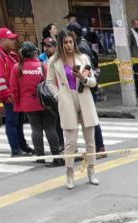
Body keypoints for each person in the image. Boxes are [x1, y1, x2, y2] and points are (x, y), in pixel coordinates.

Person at [45, 29, 99, 189]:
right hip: (67, 100)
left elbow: (93, 82)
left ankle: (91, 171)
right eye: (65, 43)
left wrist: (83, 78)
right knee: (70, 141)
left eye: (71, 42)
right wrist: (59, 96)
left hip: (85, 99)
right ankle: (69, 174)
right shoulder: (54, 61)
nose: (69, 45)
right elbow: (49, 82)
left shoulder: (82, 58)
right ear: (60, 45)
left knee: (90, 140)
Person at [11, 42, 62, 166]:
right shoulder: (43, 66)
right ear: (35, 53)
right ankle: (56, 155)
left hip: (28, 103)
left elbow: (14, 89)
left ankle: (40, 156)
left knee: (36, 129)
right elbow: (53, 83)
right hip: (46, 102)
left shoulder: (17, 67)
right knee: (50, 128)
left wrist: (17, 103)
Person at [0, 27, 31, 156]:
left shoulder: (8, 54)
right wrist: (8, 95)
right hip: (9, 96)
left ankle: (22, 145)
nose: (14, 41)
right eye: (11, 39)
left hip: (15, 94)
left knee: (18, 121)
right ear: (2, 40)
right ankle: (16, 149)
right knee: (12, 122)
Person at [65, 22, 106, 157]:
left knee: (90, 120)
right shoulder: (84, 44)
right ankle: (98, 147)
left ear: (74, 34)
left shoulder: (81, 48)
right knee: (89, 119)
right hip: (83, 88)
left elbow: (86, 70)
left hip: (84, 88)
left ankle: (98, 147)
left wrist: (82, 79)